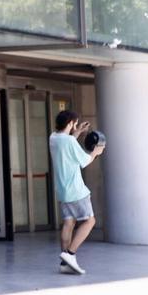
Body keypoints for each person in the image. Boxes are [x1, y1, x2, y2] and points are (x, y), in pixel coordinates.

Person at [49, 110, 105, 275]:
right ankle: (71, 254)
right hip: (77, 191)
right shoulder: (69, 142)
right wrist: (96, 152)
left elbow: (66, 142)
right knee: (90, 221)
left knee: (69, 223)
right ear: (71, 123)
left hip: (62, 191)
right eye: (75, 123)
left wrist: (78, 131)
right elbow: (85, 161)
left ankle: (64, 263)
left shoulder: (53, 138)